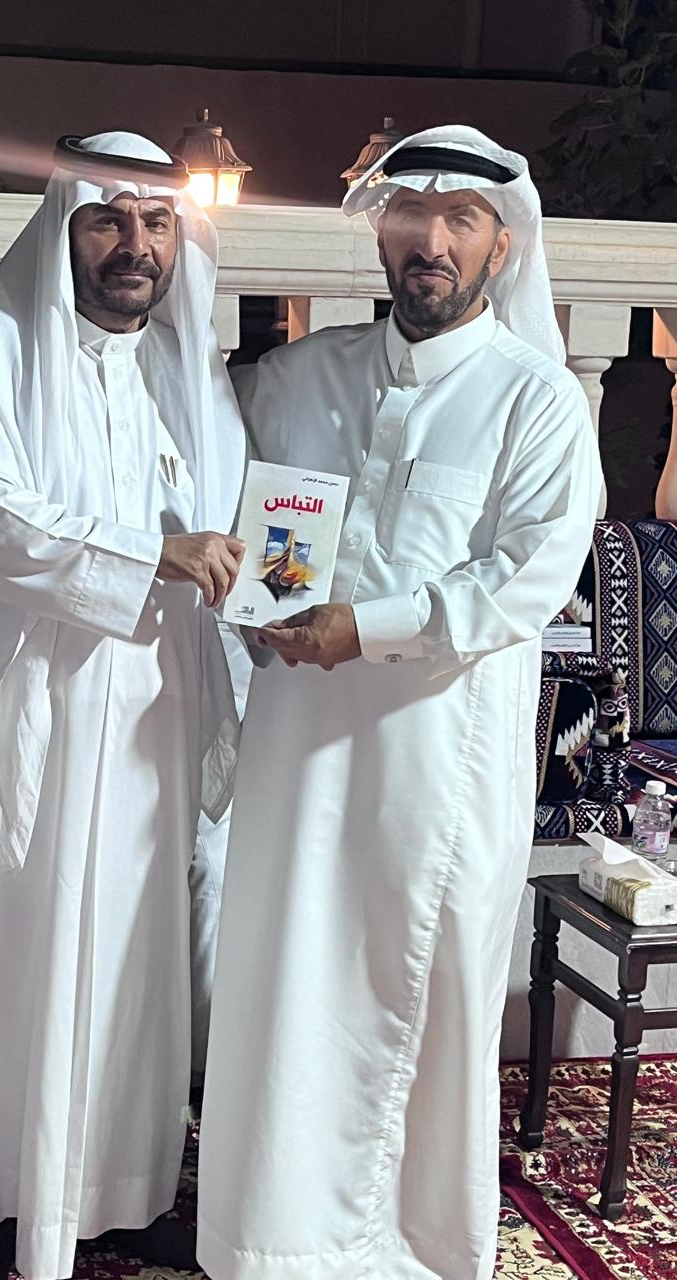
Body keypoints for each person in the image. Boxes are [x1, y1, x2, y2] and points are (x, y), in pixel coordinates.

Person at [196, 125, 602, 1280]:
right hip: (298, 745)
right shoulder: (297, 377)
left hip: (439, 757)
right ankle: (269, 1241)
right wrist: (255, 605)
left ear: (501, 245)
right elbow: (230, 504)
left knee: (418, 992)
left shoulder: (537, 400)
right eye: (412, 215)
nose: (431, 240)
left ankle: (408, 1249)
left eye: (460, 220)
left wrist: (359, 627)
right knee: (286, 978)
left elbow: (524, 578)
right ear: (381, 232)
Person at [0, 131, 246, 1280]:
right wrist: (149, 555)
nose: (135, 244)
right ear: (64, 229)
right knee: (20, 952)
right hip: (34, 715)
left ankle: (121, 1191)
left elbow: (237, 530)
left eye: (156, 222)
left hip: (150, 719)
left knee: (136, 954)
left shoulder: (182, 373)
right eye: (108, 219)